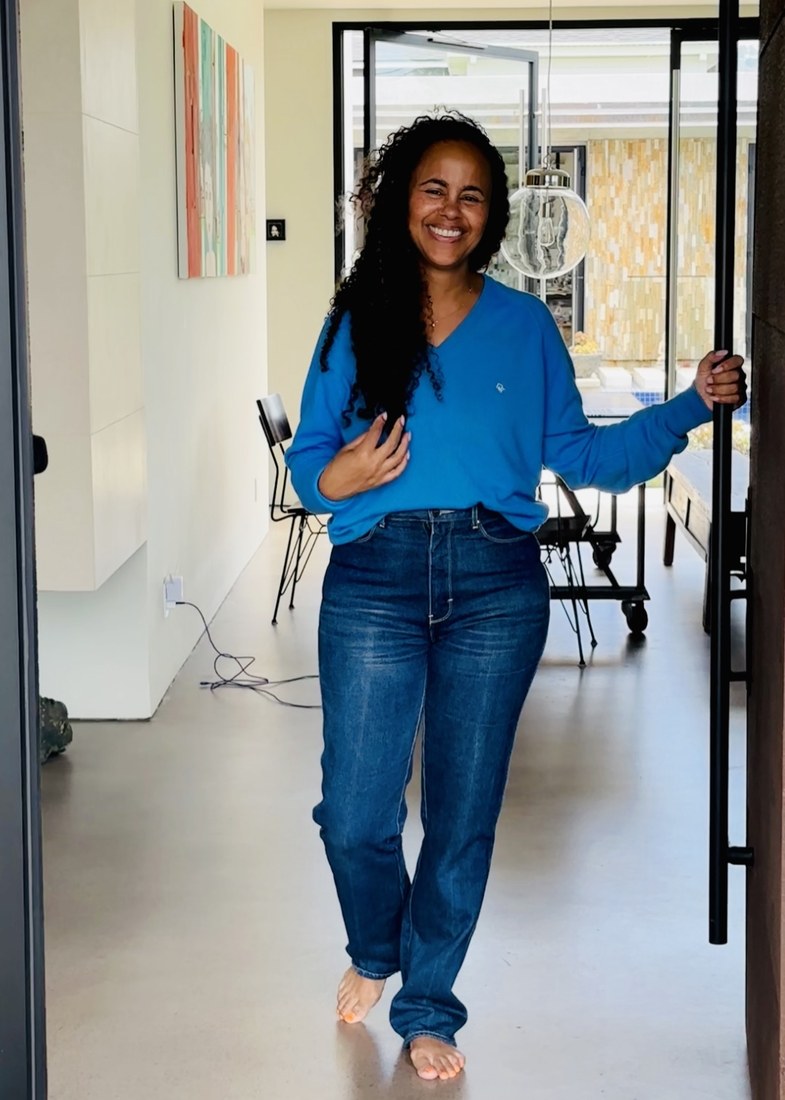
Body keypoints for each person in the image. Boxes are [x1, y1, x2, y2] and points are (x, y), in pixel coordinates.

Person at [284, 111, 746, 1082]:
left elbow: (581, 456)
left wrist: (683, 403)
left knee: (459, 814)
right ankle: (375, 944)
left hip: (495, 578)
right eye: (431, 188)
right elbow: (309, 461)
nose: (450, 209)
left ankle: (427, 1004)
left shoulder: (523, 326)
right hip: (372, 577)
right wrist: (342, 480)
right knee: (354, 812)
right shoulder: (352, 320)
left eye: (471, 195)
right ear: (398, 200)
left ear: (489, 218)